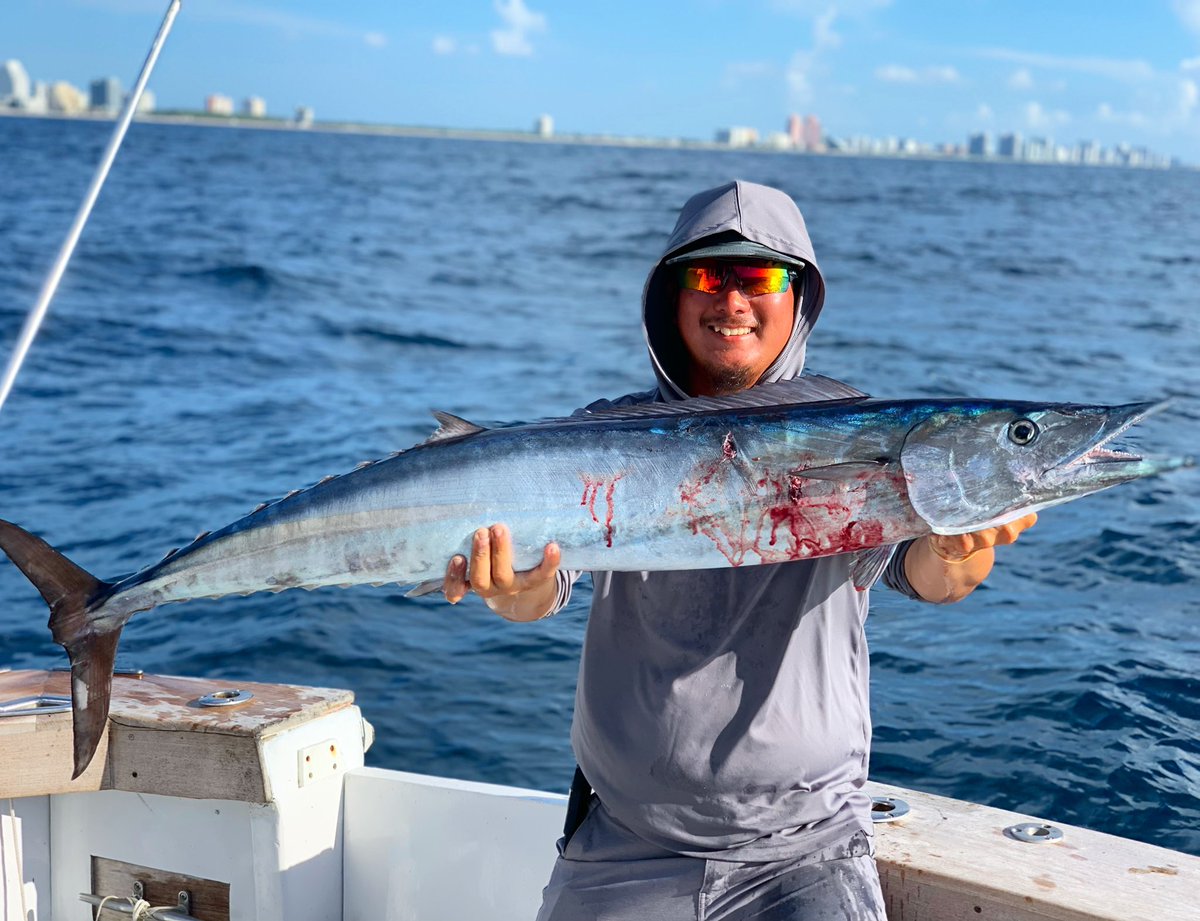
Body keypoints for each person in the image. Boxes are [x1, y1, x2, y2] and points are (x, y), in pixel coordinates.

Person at [442, 180, 1036, 920]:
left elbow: (932, 573)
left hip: (807, 848)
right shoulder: (604, 433)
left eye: (756, 278)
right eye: (707, 275)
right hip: (625, 841)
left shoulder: (852, 431)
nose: (731, 301)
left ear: (797, 298)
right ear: (671, 294)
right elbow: (542, 589)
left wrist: (957, 548)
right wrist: (509, 588)